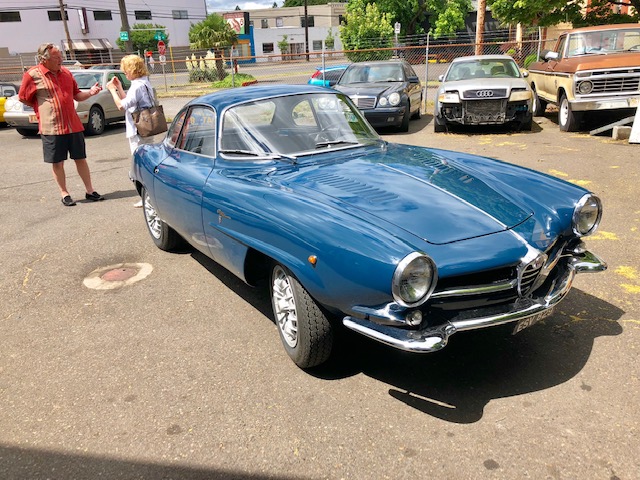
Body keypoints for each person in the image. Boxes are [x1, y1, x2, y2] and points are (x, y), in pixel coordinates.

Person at [18, 43, 104, 206]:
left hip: (73, 125)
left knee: (81, 158)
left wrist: (91, 93)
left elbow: (77, 95)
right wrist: (42, 108)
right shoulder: (32, 75)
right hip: (51, 127)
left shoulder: (66, 73)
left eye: (61, 56)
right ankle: (65, 193)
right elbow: (23, 97)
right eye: (56, 57)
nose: (60, 60)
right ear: (44, 59)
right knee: (57, 162)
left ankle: (90, 190)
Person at [105, 54, 157, 207]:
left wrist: (112, 90)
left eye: (126, 70)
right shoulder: (144, 83)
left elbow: (121, 106)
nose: (124, 73)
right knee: (145, 162)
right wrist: (120, 88)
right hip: (146, 127)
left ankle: (147, 197)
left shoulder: (137, 86)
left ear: (132, 70)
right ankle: (148, 196)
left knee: (139, 165)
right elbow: (130, 102)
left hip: (137, 130)